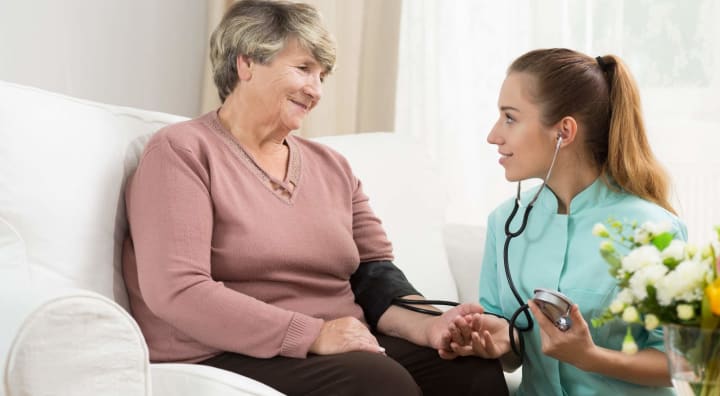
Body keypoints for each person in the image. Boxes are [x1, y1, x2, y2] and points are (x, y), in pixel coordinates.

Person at [121, 1, 508, 395]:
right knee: (377, 384)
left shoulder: (332, 166)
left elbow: (374, 276)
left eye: (322, 76)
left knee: (470, 370)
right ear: (246, 64)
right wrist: (312, 333)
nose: (315, 90)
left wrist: (431, 325)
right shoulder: (182, 151)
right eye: (304, 69)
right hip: (222, 351)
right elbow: (177, 290)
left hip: (334, 341)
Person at [442, 48, 686, 395]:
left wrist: (589, 357)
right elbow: (509, 349)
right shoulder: (505, 223)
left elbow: (679, 363)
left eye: (510, 118)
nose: (494, 135)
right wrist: (498, 343)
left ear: (564, 131)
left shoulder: (653, 231)